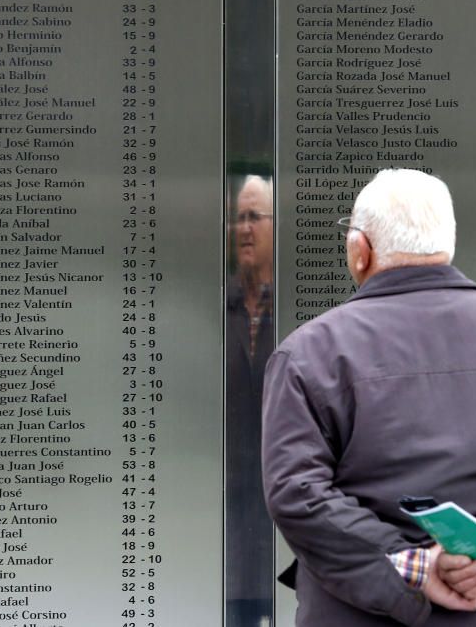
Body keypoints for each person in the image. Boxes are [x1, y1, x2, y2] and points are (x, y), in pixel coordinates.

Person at [261, 169, 476, 626]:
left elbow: (297, 492)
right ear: (445, 245)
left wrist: (412, 565)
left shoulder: (308, 353)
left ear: (359, 249)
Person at [225, 175, 275, 626]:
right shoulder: (220, 306)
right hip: (227, 530)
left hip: (286, 524)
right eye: (238, 218)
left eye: (254, 217)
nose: (244, 228)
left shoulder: (296, 310)